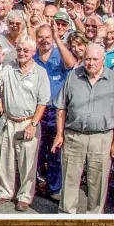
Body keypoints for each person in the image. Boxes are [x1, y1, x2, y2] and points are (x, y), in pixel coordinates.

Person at [52, 43, 114, 214]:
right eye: (87, 59)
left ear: (103, 60)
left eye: (95, 59)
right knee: (70, 178)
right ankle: (66, 215)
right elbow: (61, 108)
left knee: (98, 181)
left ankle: (93, 217)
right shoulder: (73, 76)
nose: (91, 63)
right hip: (74, 135)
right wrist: (59, 134)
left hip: (101, 138)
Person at [0, 37, 50, 211]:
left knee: (27, 162)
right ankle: (4, 192)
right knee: (4, 159)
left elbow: (43, 101)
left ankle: (24, 196)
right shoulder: (8, 68)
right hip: (8, 120)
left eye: (26, 50)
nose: (22, 53)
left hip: (28, 122)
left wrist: (33, 124)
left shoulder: (40, 72)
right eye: (19, 50)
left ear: (33, 52)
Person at [34, 23, 74, 201]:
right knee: (35, 150)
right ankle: (32, 186)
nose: (44, 41)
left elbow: (71, 64)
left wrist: (58, 39)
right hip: (37, 110)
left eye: (47, 37)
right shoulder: (32, 56)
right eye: (40, 37)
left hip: (56, 111)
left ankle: (53, 187)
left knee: (55, 151)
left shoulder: (60, 54)